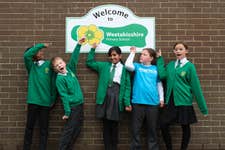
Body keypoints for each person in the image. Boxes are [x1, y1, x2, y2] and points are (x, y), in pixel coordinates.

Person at [156, 42, 208, 150]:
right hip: (170, 100)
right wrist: (160, 60)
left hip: (184, 101)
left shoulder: (189, 67)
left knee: (185, 126)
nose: (178, 51)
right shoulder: (170, 65)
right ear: (174, 51)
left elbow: (196, 88)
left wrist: (203, 108)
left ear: (186, 51)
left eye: (181, 49)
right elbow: (162, 75)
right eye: (176, 49)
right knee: (163, 124)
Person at [86, 44, 132, 150]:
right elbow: (89, 63)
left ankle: (114, 147)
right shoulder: (104, 66)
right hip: (105, 96)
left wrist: (127, 103)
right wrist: (92, 49)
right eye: (110, 56)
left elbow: (127, 87)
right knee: (106, 125)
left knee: (114, 125)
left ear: (120, 56)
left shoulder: (125, 69)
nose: (112, 57)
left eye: (115, 55)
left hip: (117, 96)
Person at [125, 47, 164, 150]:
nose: (141, 55)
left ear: (151, 58)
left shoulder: (156, 69)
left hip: (153, 103)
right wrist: (132, 53)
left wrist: (161, 99)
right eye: (141, 54)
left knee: (152, 129)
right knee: (135, 129)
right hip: (137, 103)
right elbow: (127, 65)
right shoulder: (137, 66)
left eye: (144, 54)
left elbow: (159, 84)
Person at [51, 37, 85, 150]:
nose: (59, 65)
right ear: (56, 70)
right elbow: (64, 96)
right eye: (57, 66)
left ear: (64, 63)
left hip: (80, 105)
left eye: (60, 63)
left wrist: (79, 44)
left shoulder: (70, 70)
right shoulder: (59, 80)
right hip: (72, 107)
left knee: (78, 129)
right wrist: (67, 111)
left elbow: (74, 58)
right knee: (69, 130)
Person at [23, 43, 57, 150]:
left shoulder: (48, 65)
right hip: (33, 102)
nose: (41, 52)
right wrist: (41, 45)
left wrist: (52, 99)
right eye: (38, 51)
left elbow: (53, 83)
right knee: (29, 127)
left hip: (45, 103)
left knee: (44, 129)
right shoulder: (31, 66)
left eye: (41, 50)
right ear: (33, 54)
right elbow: (26, 56)